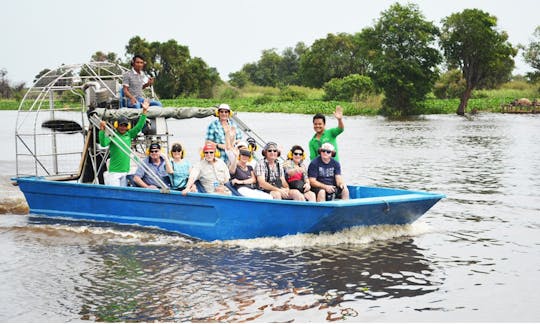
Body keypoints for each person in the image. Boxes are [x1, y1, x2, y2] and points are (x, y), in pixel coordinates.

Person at [99, 100, 149, 186]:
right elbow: (103, 144)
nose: (123, 127)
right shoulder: (113, 136)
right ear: (116, 125)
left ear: (128, 127)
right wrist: (102, 130)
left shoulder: (129, 134)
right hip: (114, 172)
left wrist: (144, 111)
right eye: (121, 125)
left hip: (125, 172)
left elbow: (139, 126)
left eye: (125, 125)